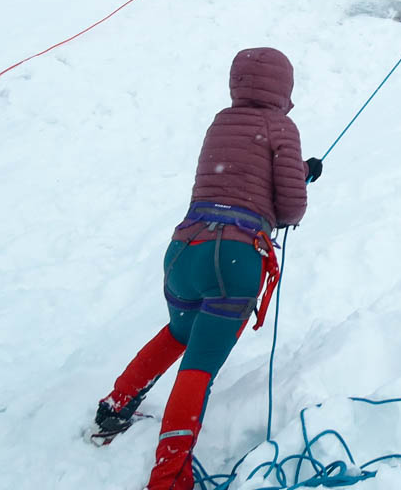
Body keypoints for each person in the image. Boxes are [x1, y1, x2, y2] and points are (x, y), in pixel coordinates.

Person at [93, 47, 322, 490]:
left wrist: (299, 169)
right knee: (198, 367)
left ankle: (115, 406)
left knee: (179, 332)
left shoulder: (221, 121)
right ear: (284, 89)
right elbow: (290, 208)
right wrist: (302, 176)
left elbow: (239, 174)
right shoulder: (281, 126)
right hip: (233, 259)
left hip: (184, 249)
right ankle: (168, 477)